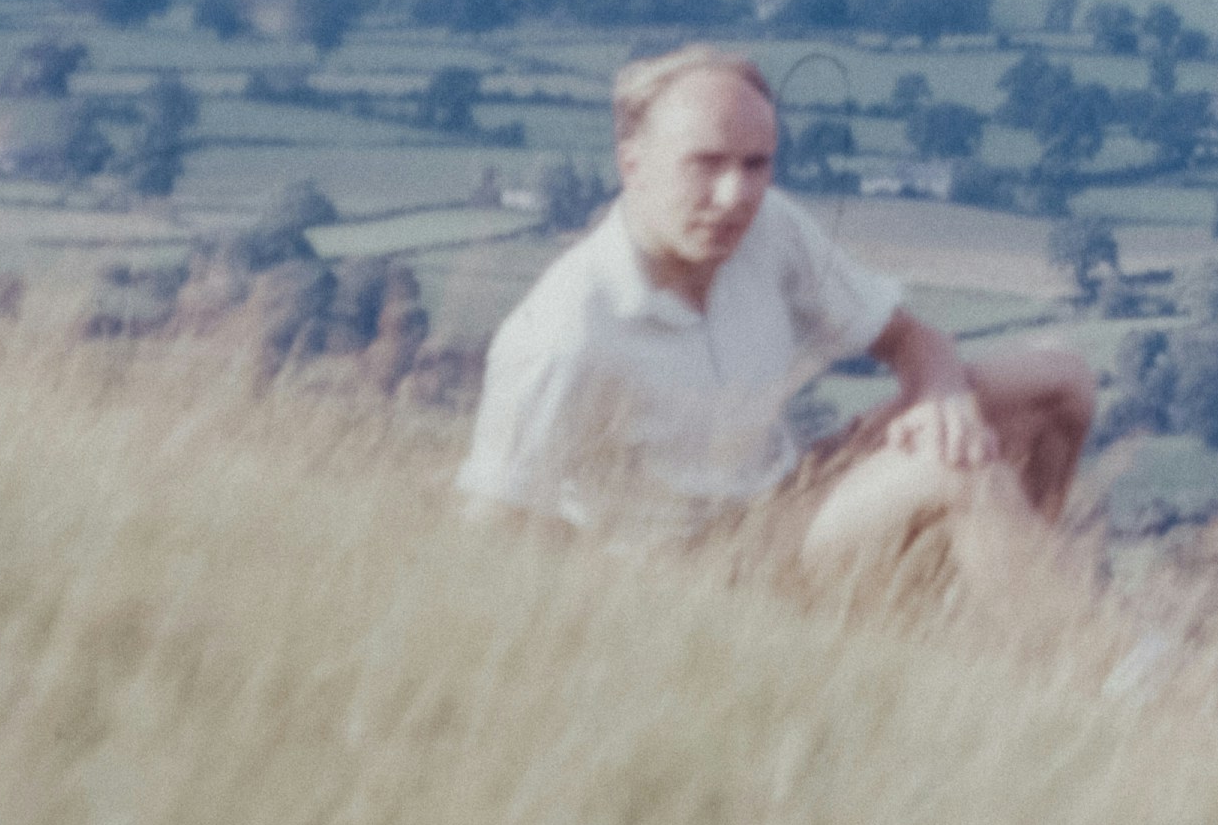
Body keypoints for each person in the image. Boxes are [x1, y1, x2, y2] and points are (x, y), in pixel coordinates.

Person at [459, 45, 1095, 604]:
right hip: (699, 576)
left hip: (790, 494)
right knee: (955, 470)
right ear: (633, 164)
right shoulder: (563, 329)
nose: (736, 194)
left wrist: (940, 395)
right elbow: (493, 526)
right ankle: (1115, 679)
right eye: (705, 163)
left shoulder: (770, 229)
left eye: (756, 164)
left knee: (1060, 382)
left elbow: (909, 338)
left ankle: (1006, 601)